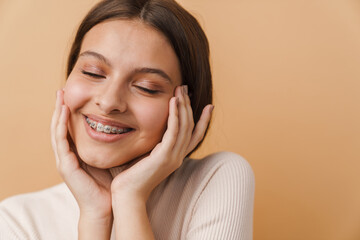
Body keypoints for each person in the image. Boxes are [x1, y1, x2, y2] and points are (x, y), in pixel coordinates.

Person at [0, 0, 255, 239]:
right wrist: (95, 216)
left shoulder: (215, 180)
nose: (109, 102)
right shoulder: (16, 221)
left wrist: (129, 199)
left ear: (186, 107)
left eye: (146, 87)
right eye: (92, 72)